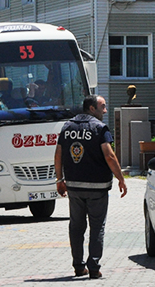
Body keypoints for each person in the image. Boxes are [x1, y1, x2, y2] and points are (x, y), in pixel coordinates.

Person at [53, 95, 128, 279]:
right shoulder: (100, 128)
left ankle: (78, 266)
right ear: (91, 108)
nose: (105, 110)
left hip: (74, 187)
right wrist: (121, 178)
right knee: (97, 227)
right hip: (97, 188)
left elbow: (58, 154)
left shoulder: (67, 127)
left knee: (76, 227)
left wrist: (59, 179)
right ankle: (93, 268)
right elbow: (110, 156)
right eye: (102, 106)